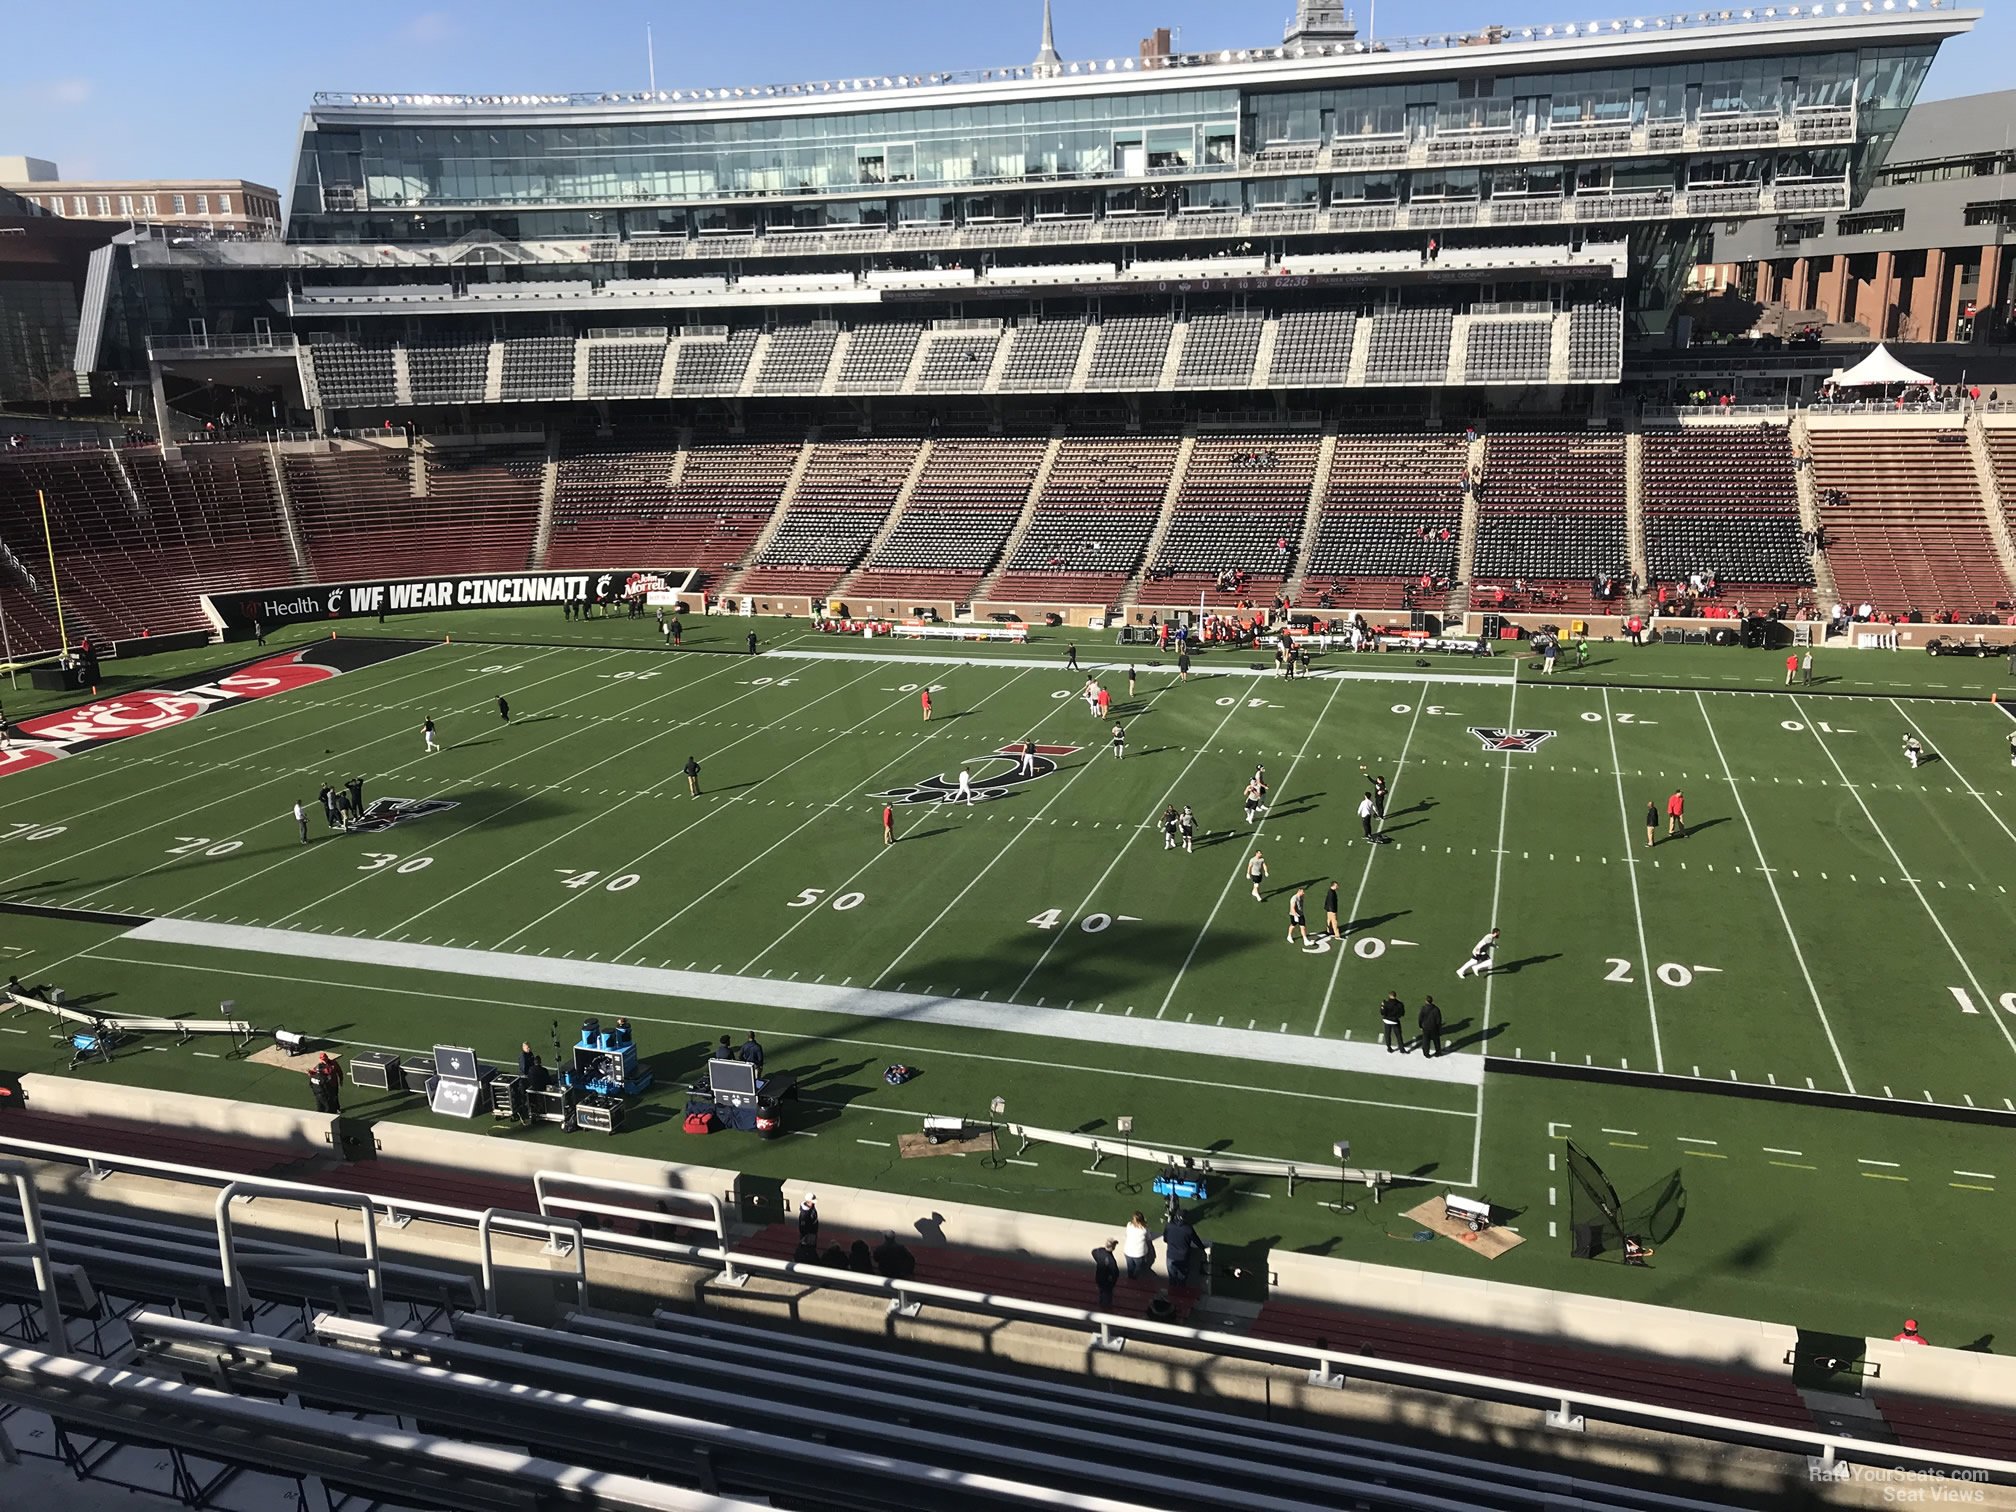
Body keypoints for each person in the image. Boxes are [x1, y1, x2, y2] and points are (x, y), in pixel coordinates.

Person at [1161, 1208, 1204, 1290]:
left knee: (1172, 1279)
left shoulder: (1169, 1225)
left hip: (1171, 1256)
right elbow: (1197, 1241)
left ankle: (1172, 1296)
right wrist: (1202, 1248)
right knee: (1182, 1280)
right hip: (1183, 1258)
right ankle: (1179, 1297)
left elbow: (1165, 1239)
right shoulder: (1188, 1229)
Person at [1122, 1211, 1154, 1279]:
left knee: (1130, 1268)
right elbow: (1149, 1238)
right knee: (1138, 1267)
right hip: (1139, 1254)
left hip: (1128, 1251)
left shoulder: (1129, 1225)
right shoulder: (1144, 1229)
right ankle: (1135, 1279)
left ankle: (1130, 1279)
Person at [1092, 1238, 1119, 1310]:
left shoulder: (1100, 1251)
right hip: (1107, 1281)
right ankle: (1105, 1307)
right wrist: (1113, 1282)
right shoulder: (1111, 1260)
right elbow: (1115, 1273)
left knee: (1101, 1291)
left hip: (1099, 1277)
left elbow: (1093, 1252)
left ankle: (1101, 1302)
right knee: (1107, 1294)